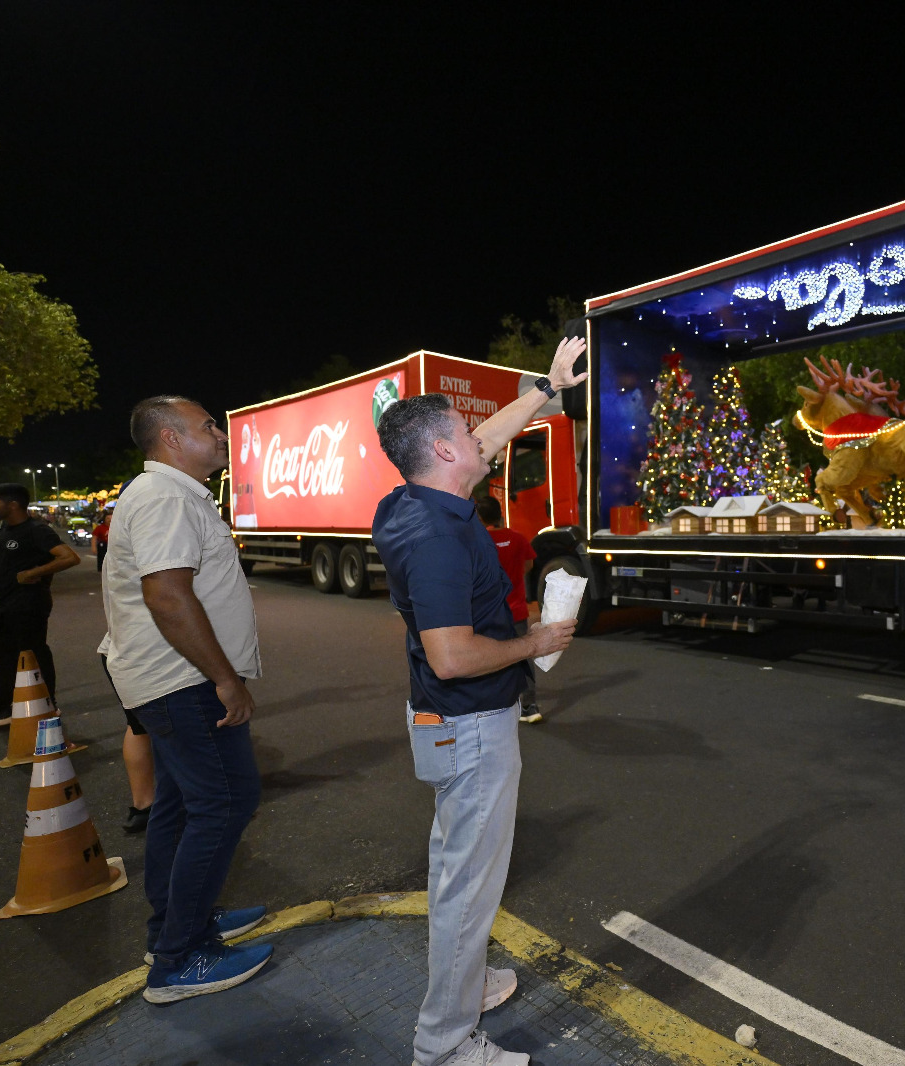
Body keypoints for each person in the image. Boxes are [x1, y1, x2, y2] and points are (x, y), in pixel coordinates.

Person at [373, 336, 586, 1066]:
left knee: (452, 866)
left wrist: (546, 389)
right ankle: (445, 1045)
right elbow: (453, 655)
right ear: (441, 449)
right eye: (466, 434)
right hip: (468, 725)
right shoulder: (435, 535)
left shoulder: (412, 495)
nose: (482, 440)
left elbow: (491, 435)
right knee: (469, 885)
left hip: (441, 722)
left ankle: (466, 985)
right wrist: (538, 639)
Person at [99, 396, 269, 1004]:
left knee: (178, 804)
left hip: (170, 680)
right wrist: (225, 678)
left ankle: (177, 924)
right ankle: (179, 959)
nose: (220, 434)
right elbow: (168, 596)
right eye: (207, 426)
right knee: (225, 801)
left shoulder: (170, 493)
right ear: (170, 438)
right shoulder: (167, 496)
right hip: (184, 680)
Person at [0, 484, 81, 732]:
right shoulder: (5, 528)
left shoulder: (36, 530)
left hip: (28, 604)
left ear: (12, 504)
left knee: (33, 653)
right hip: (5, 603)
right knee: (4, 656)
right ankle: (2, 707)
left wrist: (34, 572)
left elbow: (69, 557)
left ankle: (47, 705)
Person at [476, 496, 540, 723]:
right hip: (517, 610)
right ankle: (530, 707)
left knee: (490, 658)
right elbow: (529, 564)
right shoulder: (517, 538)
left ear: (480, 517)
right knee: (524, 656)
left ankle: (496, 706)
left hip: (488, 613)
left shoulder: (477, 540)